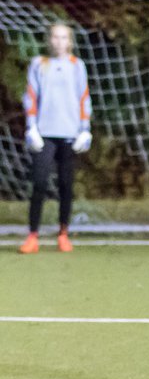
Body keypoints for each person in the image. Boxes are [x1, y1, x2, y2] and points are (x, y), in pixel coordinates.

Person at [20, 22, 92, 254]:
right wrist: (31, 127)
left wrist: (85, 129)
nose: (59, 42)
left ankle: (63, 233)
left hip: (69, 134)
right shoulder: (39, 64)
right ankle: (33, 235)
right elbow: (31, 96)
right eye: (55, 37)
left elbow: (83, 97)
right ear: (48, 40)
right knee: (39, 183)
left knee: (65, 184)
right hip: (44, 134)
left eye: (64, 38)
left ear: (70, 42)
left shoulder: (77, 66)